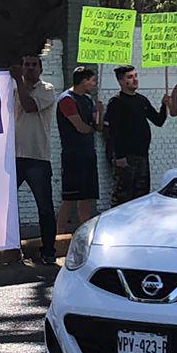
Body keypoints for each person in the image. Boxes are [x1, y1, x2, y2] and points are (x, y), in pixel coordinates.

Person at [11, 52, 57, 264]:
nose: (29, 68)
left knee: (44, 207)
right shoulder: (11, 89)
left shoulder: (47, 90)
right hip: (14, 156)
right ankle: (8, 246)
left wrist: (18, 81)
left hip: (37, 157)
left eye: (33, 65)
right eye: (25, 64)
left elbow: (29, 106)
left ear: (40, 69)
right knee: (6, 204)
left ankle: (48, 250)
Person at [104, 65, 168, 206]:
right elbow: (113, 131)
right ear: (121, 81)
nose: (135, 79)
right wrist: (119, 156)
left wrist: (164, 106)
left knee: (141, 195)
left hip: (142, 155)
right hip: (126, 157)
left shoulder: (142, 100)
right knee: (123, 196)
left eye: (135, 76)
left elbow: (158, 121)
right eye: (130, 77)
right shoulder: (116, 102)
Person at [56, 67, 101, 234]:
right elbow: (81, 127)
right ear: (84, 81)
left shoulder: (88, 100)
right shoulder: (66, 100)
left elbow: (97, 126)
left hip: (88, 153)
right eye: (92, 81)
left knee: (86, 198)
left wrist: (99, 114)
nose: (94, 84)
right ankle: (59, 233)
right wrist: (91, 128)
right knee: (69, 197)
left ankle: (86, 233)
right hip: (73, 155)